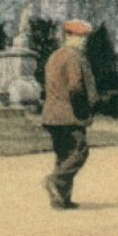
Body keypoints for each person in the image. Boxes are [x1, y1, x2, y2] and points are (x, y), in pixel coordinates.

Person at [42, 19, 97, 210]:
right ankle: (54, 181)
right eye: (79, 36)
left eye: (84, 37)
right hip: (69, 115)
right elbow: (75, 87)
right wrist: (84, 109)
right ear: (67, 36)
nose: (83, 41)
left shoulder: (54, 56)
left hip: (51, 115)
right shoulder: (74, 57)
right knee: (80, 152)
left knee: (63, 155)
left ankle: (61, 199)